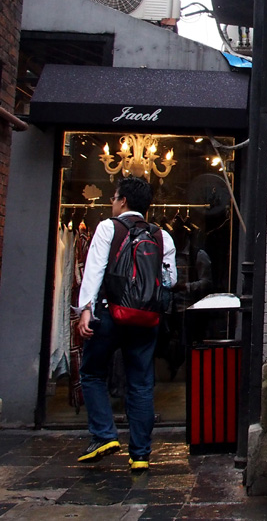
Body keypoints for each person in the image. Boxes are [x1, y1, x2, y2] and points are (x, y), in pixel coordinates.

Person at [75, 177, 176, 471]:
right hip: (145, 318)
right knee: (141, 383)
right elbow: (170, 280)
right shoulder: (162, 236)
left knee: (92, 373)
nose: (112, 202)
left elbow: (94, 271)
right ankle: (140, 455)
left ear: (124, 201)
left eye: (114, 197)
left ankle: (104, 435)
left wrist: (85, 309)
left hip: (109, 314)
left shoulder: (109, 228)